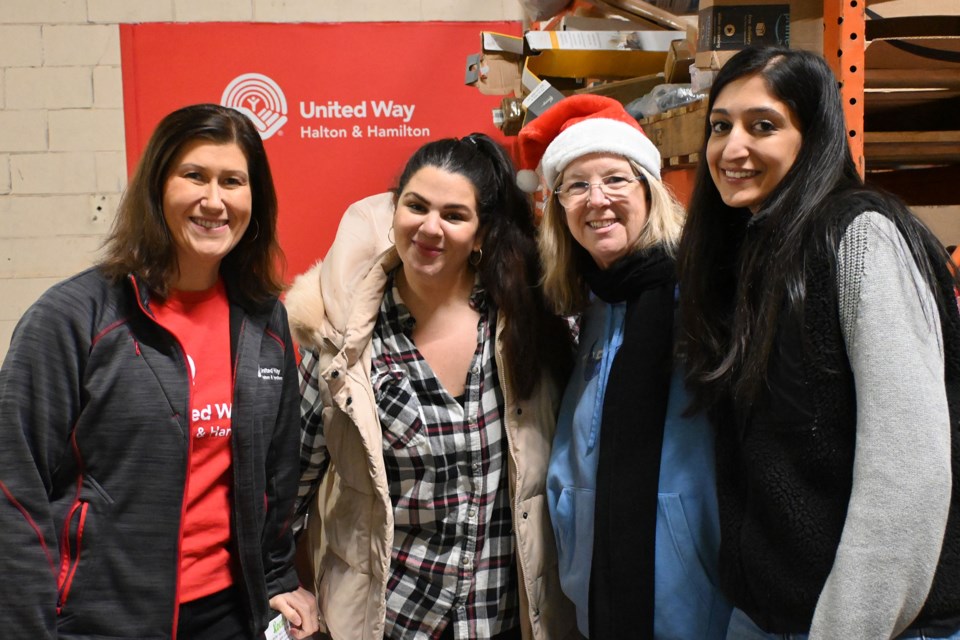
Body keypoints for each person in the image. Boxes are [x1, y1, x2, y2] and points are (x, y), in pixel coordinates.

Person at [0, 103, 318, 639]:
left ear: (253, 199)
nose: (213, 200)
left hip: (228, 615)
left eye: (232, 181)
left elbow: (276, 476)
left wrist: (278, 577)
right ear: (158, 186)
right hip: (99, 618)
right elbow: (15, 485)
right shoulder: (74, 317)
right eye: (193, 176)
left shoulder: (265, 321)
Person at [676, 46, 960, 640]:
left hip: (870, 625)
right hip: (767, 617)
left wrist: (847, 628)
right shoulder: (749, 247)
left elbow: (907, 474)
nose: (732, 149)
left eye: (764, 126)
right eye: (720, 126)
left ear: (815, 135)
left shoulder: (860, 237)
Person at [287, 134, 578, 640]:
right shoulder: (344, 340)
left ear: (481, 233)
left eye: (454, 215)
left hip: (501, 620)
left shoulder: (524, 326)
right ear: (393, 210)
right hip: (390, 620)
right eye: (415, 206)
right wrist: (285, 583)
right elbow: (287, 480)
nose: (429, 227)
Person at [516, 93, 731, 639]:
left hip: (690, 596)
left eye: (615, 179)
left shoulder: (704, 295)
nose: (597, 200)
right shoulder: (590, 305)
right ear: (559, 207)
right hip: (598, 593)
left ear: (649, 190)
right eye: (577, 186)